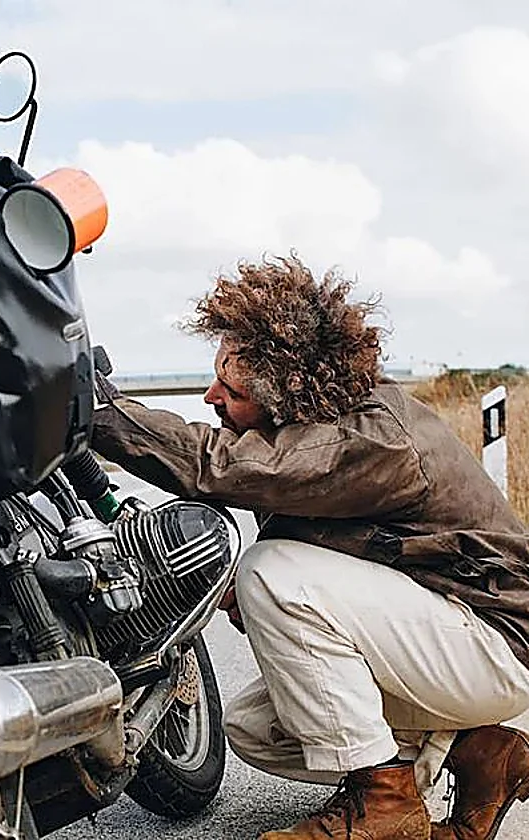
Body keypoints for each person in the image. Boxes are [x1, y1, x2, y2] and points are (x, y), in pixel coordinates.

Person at [89, 253, 529, 840]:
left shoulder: (371, 440)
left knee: (271, 571)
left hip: (496, 642)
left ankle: (385, 807)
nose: (212, 397)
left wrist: (96, 412)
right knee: (253, 726)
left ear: (288, 393)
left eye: (233, 389)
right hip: (444, 633)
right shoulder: (315, 432)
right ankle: (478, 754)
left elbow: (216, 465)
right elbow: (305, 623)